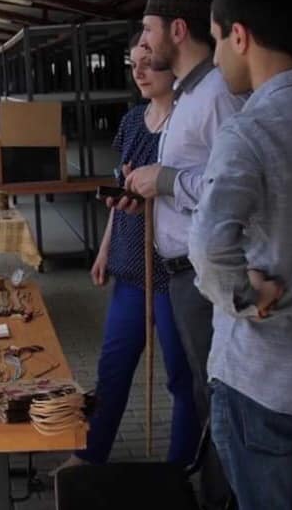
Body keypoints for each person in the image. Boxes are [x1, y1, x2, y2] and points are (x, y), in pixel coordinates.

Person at [190, 0, 292, 510]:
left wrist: (245, 296)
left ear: (240, 36)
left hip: (261, 378)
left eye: (216, 41)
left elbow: (208, 247)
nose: (215, 59)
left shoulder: (250, 130)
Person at [115, 0, 244, 509]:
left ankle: (223, 496)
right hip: (181, 272)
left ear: (178, 30)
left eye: (148, 31)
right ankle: (213, 487)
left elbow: (233, 187)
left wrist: (164, 180)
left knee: (217, 393)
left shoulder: (216, 95)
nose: (143, 46)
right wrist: (148, 190)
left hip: (203, 272)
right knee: (202, 388)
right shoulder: (191, 95)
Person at [59, 34, 199, 472]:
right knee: (113, 366)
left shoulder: (188, 124)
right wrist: (104, 249)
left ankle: (180, 469)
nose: (139, 72)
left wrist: (158, 189)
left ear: (172, 64)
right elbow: (122, 195)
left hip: (174, 270)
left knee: (181, 375)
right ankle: (89, 455)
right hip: (130, 264)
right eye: (134, 63)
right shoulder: (133, 121)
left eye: (148, 62)